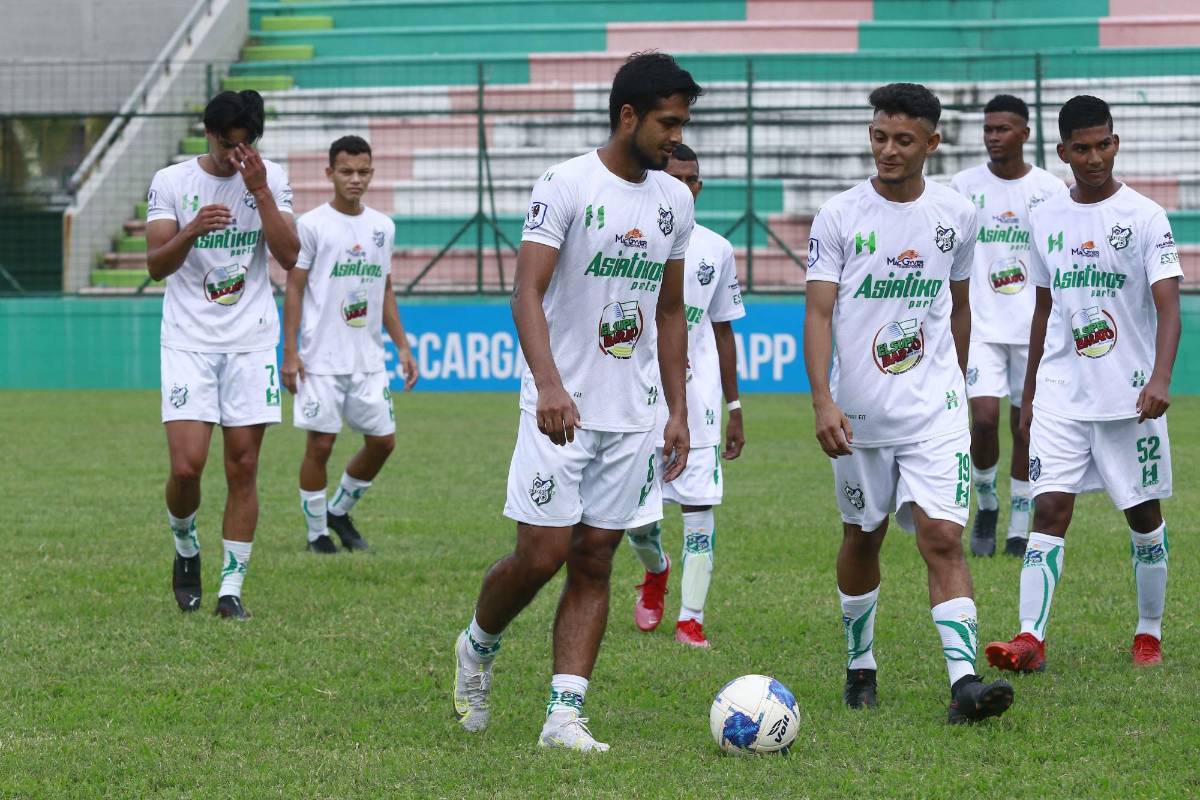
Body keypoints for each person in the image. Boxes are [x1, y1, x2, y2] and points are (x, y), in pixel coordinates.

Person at [451, 52, 701, 752]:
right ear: (628, 116)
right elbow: (525, 291)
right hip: (559, 407)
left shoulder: (674, 200)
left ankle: (565, 715)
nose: (676, 138)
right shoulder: (566, 183)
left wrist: (676, 409)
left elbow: (673, 310)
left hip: (632, 411)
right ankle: (477, 646)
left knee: (596, 557)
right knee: (541, 555)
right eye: (667, 123)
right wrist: (551, 385)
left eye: (682, 124)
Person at [804, 82, 1014, 723]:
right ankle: (859, 665)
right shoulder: (839, 215)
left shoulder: (956, 215)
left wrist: (958, 376)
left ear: (931, 141)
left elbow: (957, 303)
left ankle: (964, 682)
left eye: (901, 140)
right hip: (859, 415)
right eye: (878, 137)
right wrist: (822, 401)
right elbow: (818, 311)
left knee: (942, 538)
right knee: (862, 536)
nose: (887, 150)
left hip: (934, 410)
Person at [985, 95, 1181, 672]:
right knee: (1049, 511)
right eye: (1083, 148)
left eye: (1104, 144)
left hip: (1129, 399)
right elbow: (1042, 309)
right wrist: (1029, 394)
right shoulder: (1045, 215)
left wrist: (1159, 377)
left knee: (1143, 517)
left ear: (1115, 143)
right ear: (1063, 151)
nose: (1095, 158)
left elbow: (1168, 308)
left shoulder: (1144, 217)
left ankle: (1148, 631)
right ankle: (1029, 639)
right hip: (1061, 395)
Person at [145, 90, 299, 620]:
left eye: (246, 145)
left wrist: (259, 191)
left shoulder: (269, 177)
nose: (237, 155)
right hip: (188, 340)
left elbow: (289, 254)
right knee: (187, 467)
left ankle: (230, 589)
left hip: (251, 340)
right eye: (228, 144)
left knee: (244, 465)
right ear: (209, 134)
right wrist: (191, 230)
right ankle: (186, 547)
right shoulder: (172, 182)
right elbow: (156, 266)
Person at [625, 143, 746, 649]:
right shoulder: (628, 240)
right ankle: (657, 573)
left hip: (697, 408)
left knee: (698, 514)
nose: (686, 188)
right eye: (676, 178)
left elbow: (722, 332)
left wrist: (734, 407)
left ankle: (690, 618)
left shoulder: (716, 249)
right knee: (637, 525)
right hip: (634, 404)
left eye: (693, 180)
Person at [281, 135, 419, 554]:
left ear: (372, 173)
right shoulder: (312, 225)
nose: (355, 180)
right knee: (320, 445)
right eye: (346, 172)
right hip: (320, 358)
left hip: (368, 358)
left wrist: (403, 346)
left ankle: (338, 511)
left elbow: (386, 289)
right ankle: (316, 534)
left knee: (383, 442)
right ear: (330, 174)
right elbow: (294, 288)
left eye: (363, 172)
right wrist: (290, 352)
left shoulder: (382, 227)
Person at [950, 94, 1068, 558]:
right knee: (982, 420)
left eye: (1003, 129)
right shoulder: (963, 186)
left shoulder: (1049, 190)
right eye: (988, 129)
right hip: (979, 326)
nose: (994, 137)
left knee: (1026, 426)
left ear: (1025, 133)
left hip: (1033, 329)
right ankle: (987, 503)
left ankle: (1020, 523)